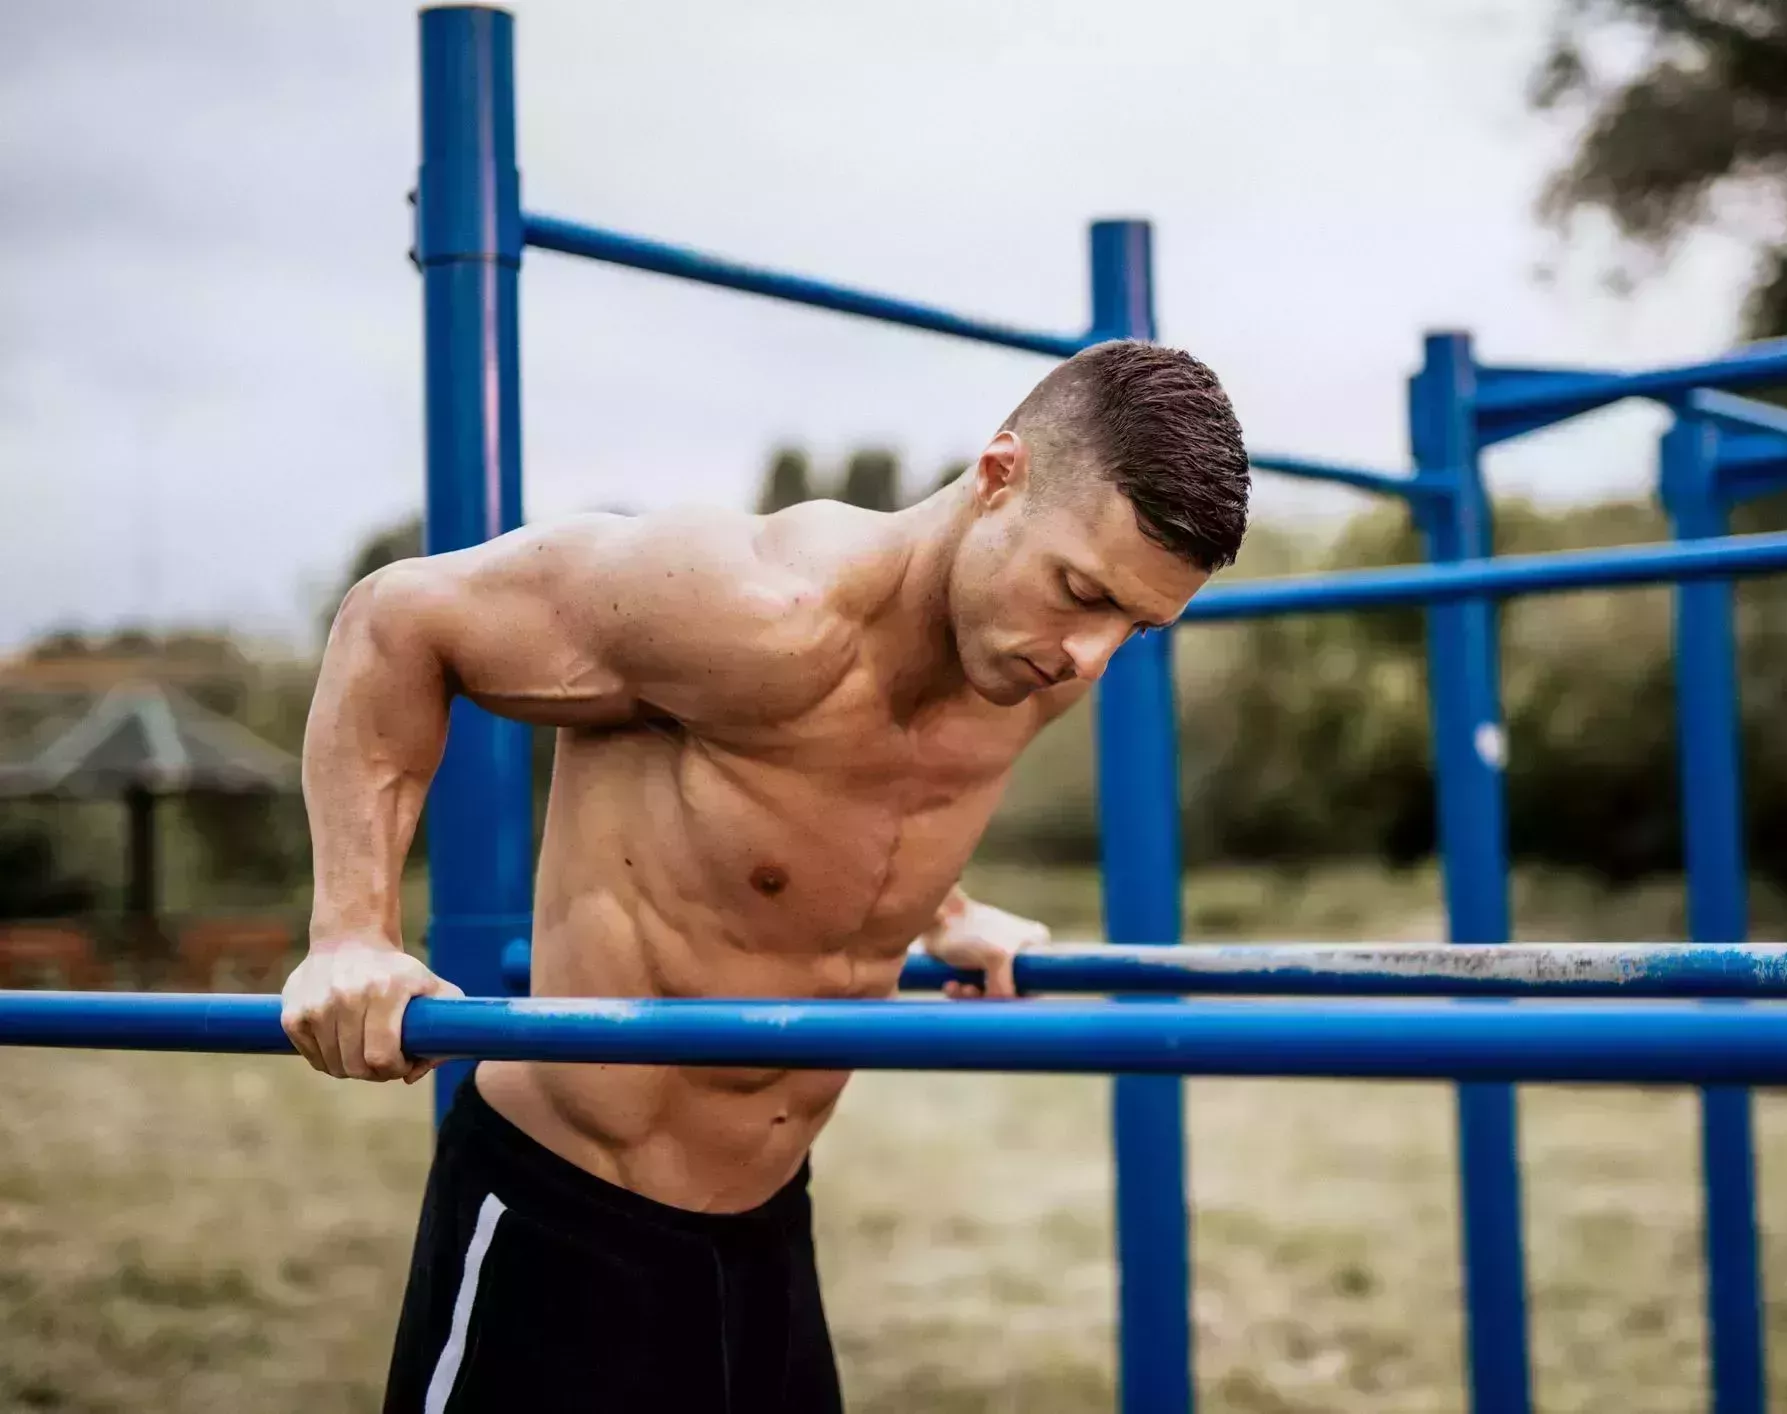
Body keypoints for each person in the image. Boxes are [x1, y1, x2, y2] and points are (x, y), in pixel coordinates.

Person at [280, 338, 1251, 1413]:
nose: (1091, 656)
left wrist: (950, 914)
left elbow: (848, 806)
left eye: (1138, 626)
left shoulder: (1033, 663)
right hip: (570, 1222)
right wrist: (353, 933)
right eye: (1081, 590)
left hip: (769, 1236)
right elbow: (397, 619)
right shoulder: (749, 608)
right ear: (997, 476)